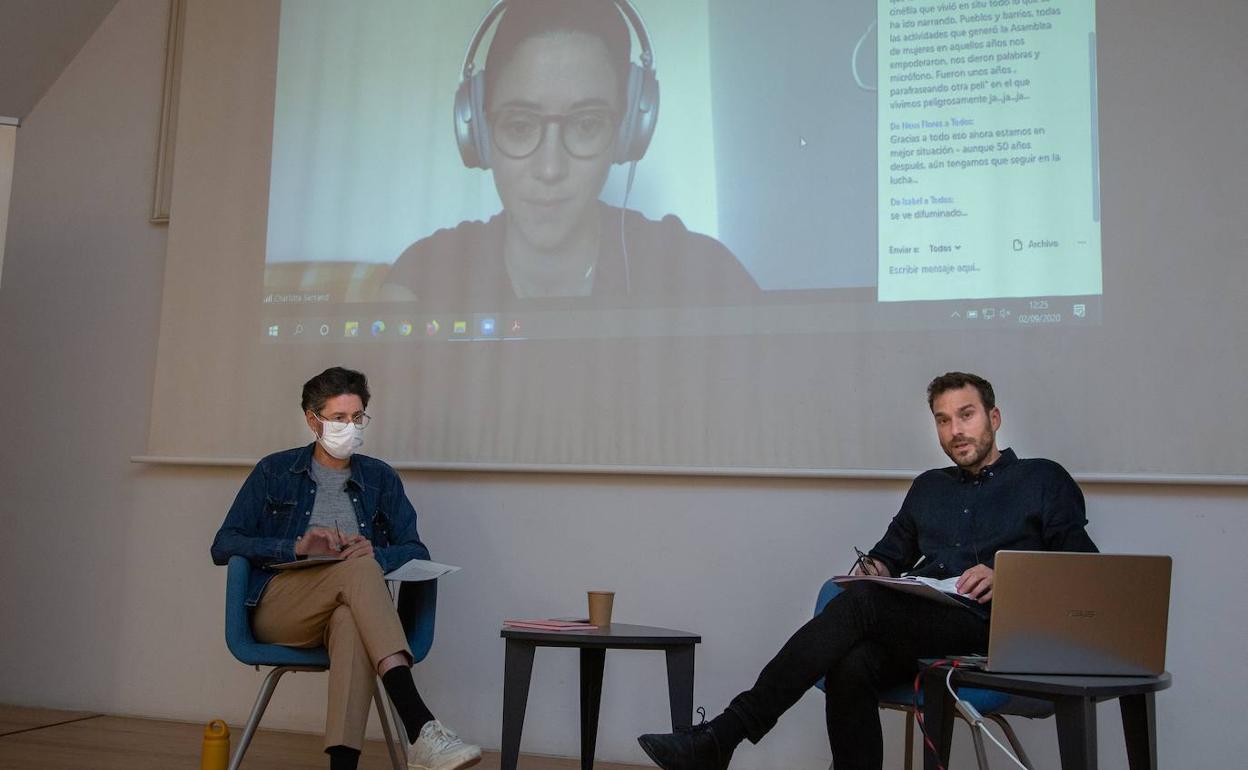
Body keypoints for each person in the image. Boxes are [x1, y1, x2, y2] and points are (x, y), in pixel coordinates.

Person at [637, 372, 1099, 770]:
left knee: (861, 607)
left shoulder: (1042, 479)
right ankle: (720, 741)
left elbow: (1084, 570)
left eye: (966, 415)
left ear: (993, 419)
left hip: (991, 626)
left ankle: (725, 735)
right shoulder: (928, 488)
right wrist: (871, 570)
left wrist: (1006, 576)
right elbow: (887, 556)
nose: (955, 430)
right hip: (924, 620)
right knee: (852, 661)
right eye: (943, 419)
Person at [378, 0, 757, 307]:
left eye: (587, 124)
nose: (550, 168)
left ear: (628, 133)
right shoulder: (422, 282)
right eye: (520, 125)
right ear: (477, 131)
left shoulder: (704, 274)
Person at [211, 367, 481, 770]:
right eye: (339, 419)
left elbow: (414, 548)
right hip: (282, 608)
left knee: (352, 617)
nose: (349, 427)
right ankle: (420, 726)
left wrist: (379, 553)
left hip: (352, 605)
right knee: (359, 571)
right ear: (312, 419)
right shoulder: (274, 471)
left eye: (357, 418)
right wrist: (296, 547)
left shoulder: (380, 478)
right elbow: (224, 543)